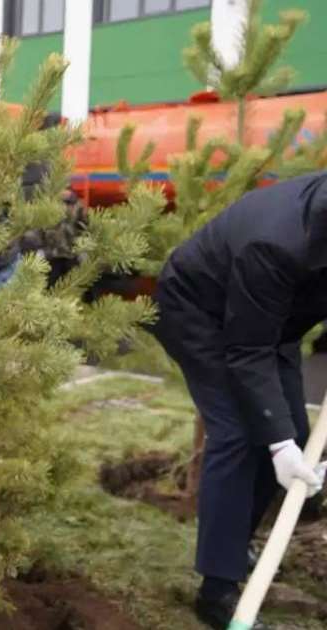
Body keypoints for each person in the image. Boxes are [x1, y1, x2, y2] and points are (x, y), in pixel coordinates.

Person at [150, 172, 327, 629]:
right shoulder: (277, 242)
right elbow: (247, 351)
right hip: (200, 312)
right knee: (242, 434)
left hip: (270, 322)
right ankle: (217, 591)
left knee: (295, 437)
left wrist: (286, 442)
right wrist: (277, 444)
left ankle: (234, 545)